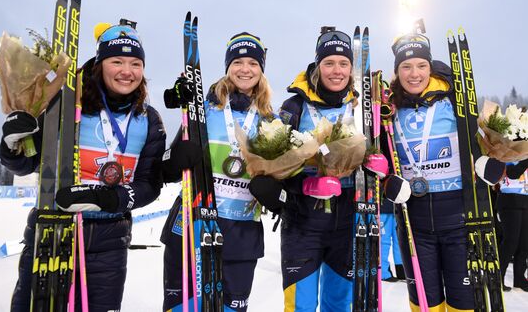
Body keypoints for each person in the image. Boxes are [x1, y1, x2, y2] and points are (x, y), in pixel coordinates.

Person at [0, 20, 200, 312]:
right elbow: (27, 164)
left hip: (110, 241)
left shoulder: (149, 120)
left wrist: (108, 199)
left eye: (135, 63)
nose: (126, 71)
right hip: (52, 232)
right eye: (117, 61)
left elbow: (148, 185)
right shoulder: (65, 105)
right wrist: (11, 146)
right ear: (100, 64)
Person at [161, 32, 274, 311]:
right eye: (237, 62)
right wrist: (176, 158)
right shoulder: (204, 111)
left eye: (252, 63)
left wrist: (275, 192)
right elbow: (167, 170)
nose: (244, 69)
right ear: (227, 68)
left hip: (241, 232)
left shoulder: (271, 121)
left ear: (261, 70)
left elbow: (281, 177)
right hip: (192, 223)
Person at [382, 32, 477, 310]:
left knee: (463, 303)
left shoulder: (452, 100)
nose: (414, 74)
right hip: (415, 224)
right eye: (406, 67)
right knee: (425, 304)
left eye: (421, 66)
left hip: (457, 221)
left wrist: (488, 163)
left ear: (430, 67)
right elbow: (383, 163)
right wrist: (387, 182)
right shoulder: (390, 110)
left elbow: (477, 144)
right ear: (397, 72)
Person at [269, 27, 361, 311]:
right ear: (317, 66)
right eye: (329, 63)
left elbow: (382, 152)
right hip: (302, 222)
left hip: (348, 221)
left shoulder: (362, 107)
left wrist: (378, 167)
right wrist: (305, 186)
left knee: (338, 304)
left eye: (343, 63)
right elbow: (273, 163)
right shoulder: (294, 106)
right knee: (301, 305)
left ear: (351, 68)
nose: (336, 70)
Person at [496, 159, 528, 291]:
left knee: (524, 243)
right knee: (510, 243)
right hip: (509, 200)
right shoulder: (508, 153)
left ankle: (520, 278)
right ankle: (498, 278)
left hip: (525, 199)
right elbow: (513, 173)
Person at [379, 199, 405, 282]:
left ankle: (401, 270)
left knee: (399, 239)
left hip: (398, 206)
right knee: (384, 241)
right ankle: (383, 272)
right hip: (383, 207)